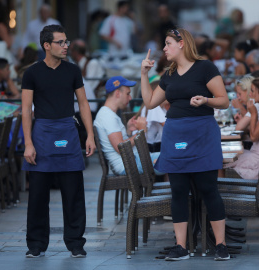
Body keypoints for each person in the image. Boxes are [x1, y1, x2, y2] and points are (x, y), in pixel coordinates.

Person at [141, 28, 230, 261]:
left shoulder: (205, 68)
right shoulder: (169, 74)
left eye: (168, 43)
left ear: (181, 44)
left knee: (209, 189)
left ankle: (220, 245)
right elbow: (150, 103)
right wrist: (143, 74)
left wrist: (206, 100)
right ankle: (181, 246)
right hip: (176, 134)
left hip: (202, 132)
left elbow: (224, 100)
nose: (164, 48)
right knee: (178, 190)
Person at [21, 24, 96, 258]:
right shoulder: (31, 73)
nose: (66, 46)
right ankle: (35, 244)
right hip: (41, 134)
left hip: (68, 131)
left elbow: (83, 104)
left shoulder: (72, 70)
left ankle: (75, 243)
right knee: (38, 195)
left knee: (73, 193)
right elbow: (25, 110)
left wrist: (90, 135)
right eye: (61, 42)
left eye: (67, 42)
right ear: (46, 45)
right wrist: (28, 143)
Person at [94, 75, 160, 176]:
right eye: (128, 94)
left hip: (132, 161)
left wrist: (129, 131)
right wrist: (141, 131)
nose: (130, 98)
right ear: (117, 93)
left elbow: (120, 143)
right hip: (129, 165)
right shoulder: (108, 116)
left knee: (172, 157)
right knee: (173, 159)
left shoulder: (108, 114)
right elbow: (121, 148)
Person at [224, 78, 259, 179]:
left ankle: (222, 191)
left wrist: (253, 114)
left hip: (256, 160)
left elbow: (253, 137)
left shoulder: (257, 107)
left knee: (220, 158)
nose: (250, 94)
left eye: (252, 91)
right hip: (254, 155)